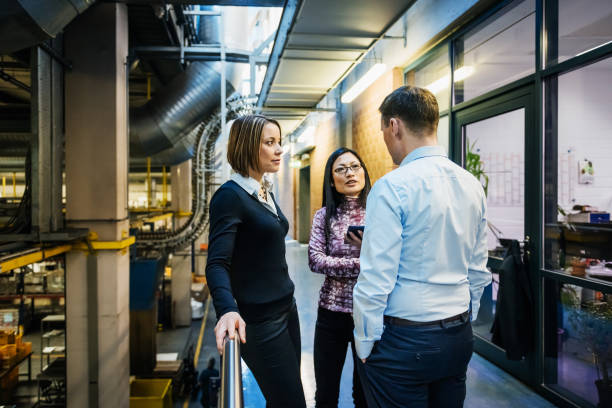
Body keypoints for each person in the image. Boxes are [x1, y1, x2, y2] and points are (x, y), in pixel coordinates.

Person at [352, 86, 492, 408]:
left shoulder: (391, 187)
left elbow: (376, 278)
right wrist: (463, 317)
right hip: (457, 336)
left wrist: (365, 343)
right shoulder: (472, 185)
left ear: (394, 126)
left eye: (384, 132)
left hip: (405, 341)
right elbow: (477, 268)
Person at [205, 114, 306, 407]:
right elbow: (217, 263)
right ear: (249, 147)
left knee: (285, 396)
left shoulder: (263, 190)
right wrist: (226, 310)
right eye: (270, 143)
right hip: (262, 322)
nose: (279, 150)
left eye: (279, 142)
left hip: (287, 309)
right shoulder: (230, 197)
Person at [308, 147, 370, 408]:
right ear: (331, 179)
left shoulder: (379, 212)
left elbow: (392, 260)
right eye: (341, 169)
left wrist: (343, 264)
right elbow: (315, 260)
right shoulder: (324, 216)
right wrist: (364, 264)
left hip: (370, 313)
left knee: (365, 395)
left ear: (364, 172)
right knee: (325, 394)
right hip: (331, 314)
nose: (350, 173)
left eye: (355, 166)